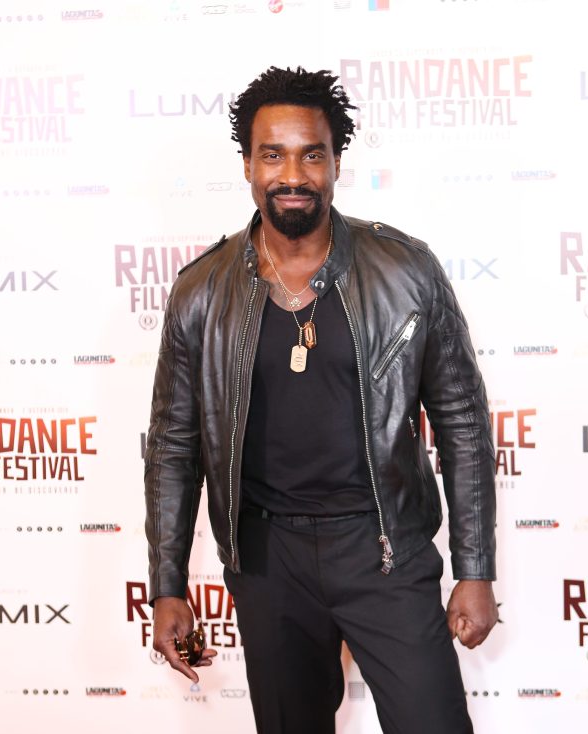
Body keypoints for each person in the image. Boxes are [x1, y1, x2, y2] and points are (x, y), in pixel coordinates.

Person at [145, 66, 498, 734]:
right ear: (247, 165)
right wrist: (167, 586)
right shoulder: (200, 291)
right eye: (272, 155)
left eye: (312, 155)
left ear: (336, 163)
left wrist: (474, 568)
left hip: (383, 548)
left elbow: (462, 423)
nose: (292, 175)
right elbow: (172, 447)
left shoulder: (405, 270)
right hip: (267, 558)